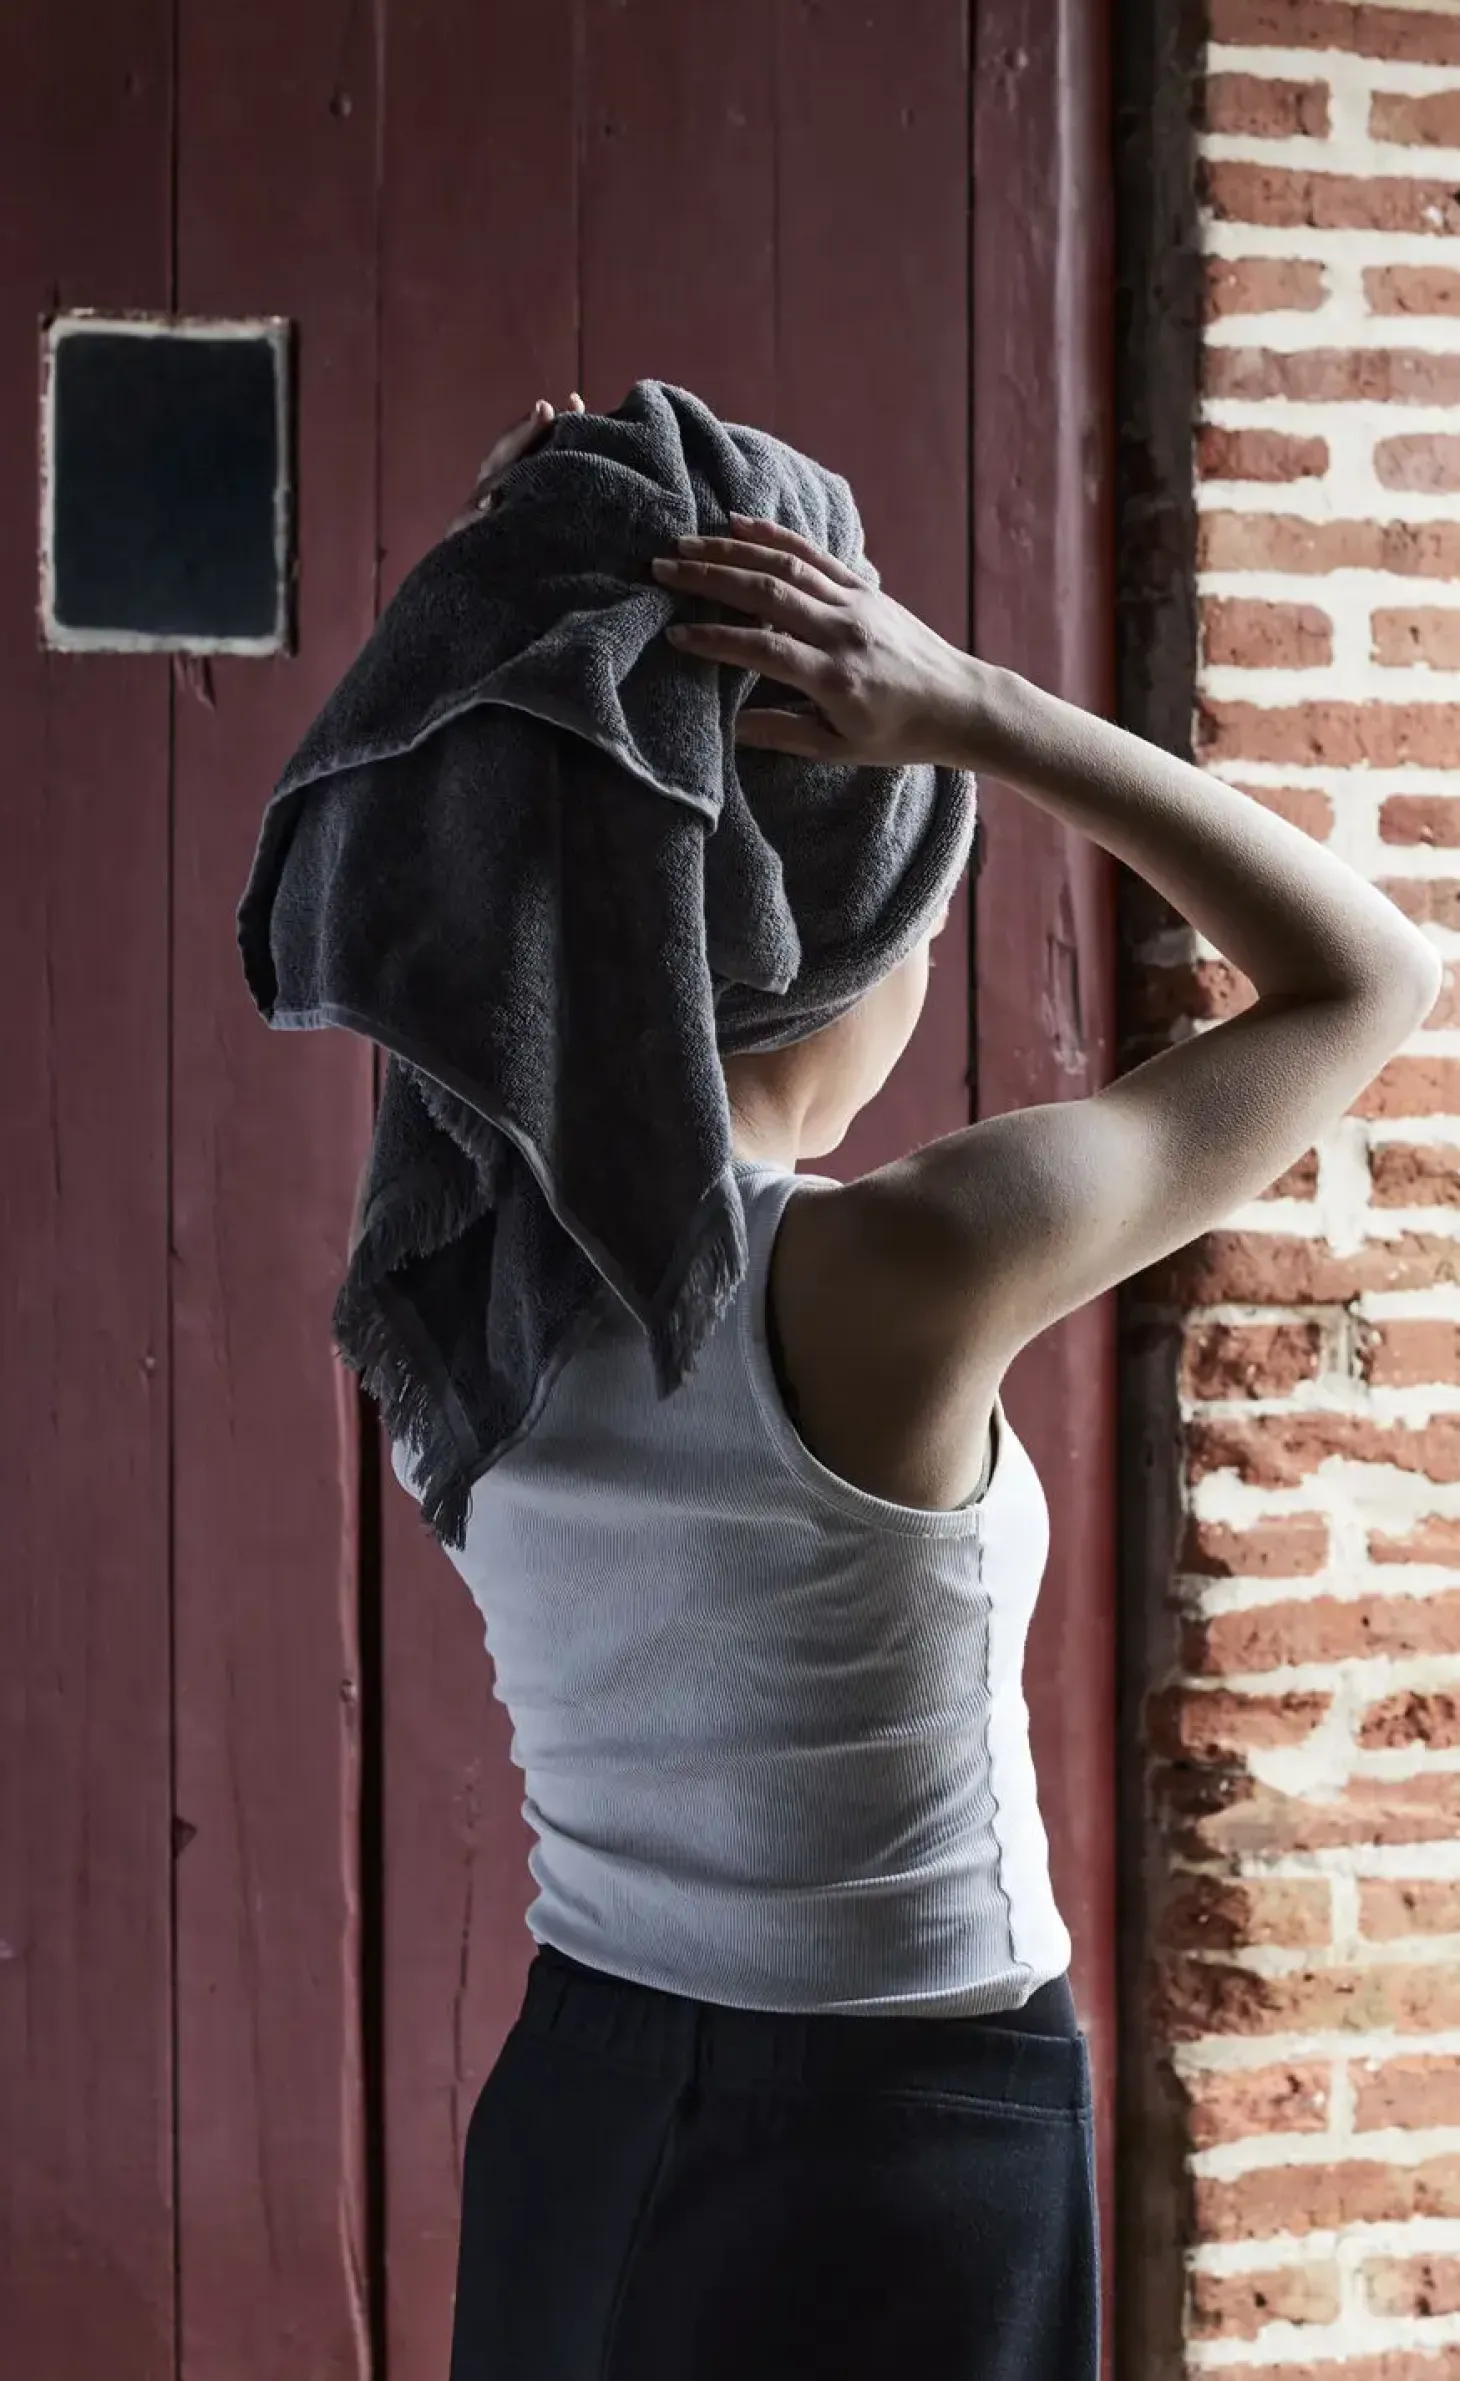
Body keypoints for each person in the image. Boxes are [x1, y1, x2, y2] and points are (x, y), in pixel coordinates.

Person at [410, 400, 1442, 2381]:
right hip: (895, 2145)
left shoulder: (452, 1261)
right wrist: (977, 711)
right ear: (845, 936)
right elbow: (1368, 977)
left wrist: (533, 597)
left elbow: (524, 890)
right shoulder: (899, 1269)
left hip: (579, 2096)